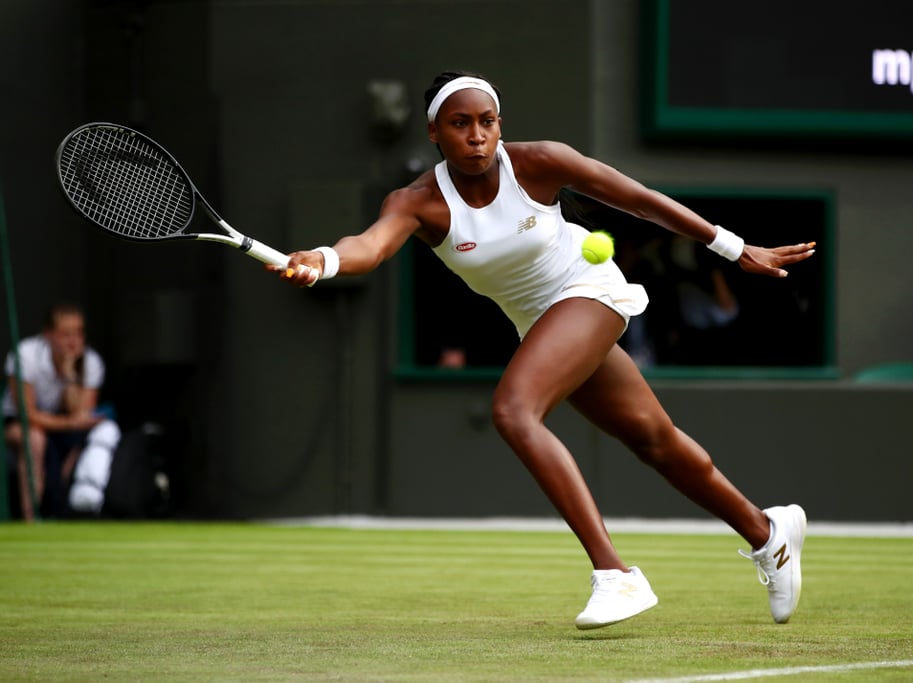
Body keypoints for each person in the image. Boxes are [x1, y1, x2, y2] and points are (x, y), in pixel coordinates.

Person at [271, 71, 816, 628]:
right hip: (540, 321)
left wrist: (732, 247)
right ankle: (767, 533)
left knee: (513, 410)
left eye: (487, 122)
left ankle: (616, 575)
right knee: (654, 440)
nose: (477, 136)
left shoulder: (538, 162)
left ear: (500, 124)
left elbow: (640, 200)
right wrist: (325, 259)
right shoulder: (417, 203)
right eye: (461, 124)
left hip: (590, 288)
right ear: (435, 132)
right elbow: (369, 244)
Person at [2, 303, 121, 520]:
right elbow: (28, 414)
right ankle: (31, 518)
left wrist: (69, 375)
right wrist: (71, 423)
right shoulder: (25, 356)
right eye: (65, 334)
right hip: (21, 424)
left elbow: (81, 415)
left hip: (63, 428)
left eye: (78, 333)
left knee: (95, 437)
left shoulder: (90, 361)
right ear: (48, 334)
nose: (73, 341)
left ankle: (69, 510)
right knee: (36, 440)